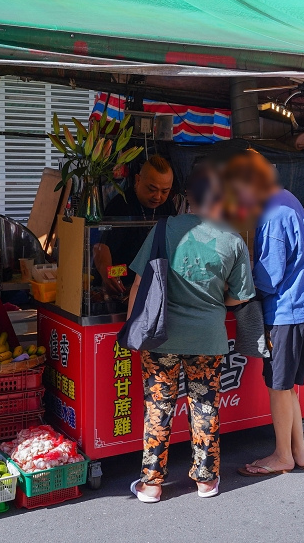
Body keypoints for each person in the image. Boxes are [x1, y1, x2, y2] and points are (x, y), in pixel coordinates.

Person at [125, 165, 255, 502]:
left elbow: (140, 284)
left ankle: (151, 484)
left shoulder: (164, 228)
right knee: (205, 405)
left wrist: (133, 334)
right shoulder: (233, 239)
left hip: (161, 337)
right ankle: (206, 481)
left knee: (158, 407)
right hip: (208, 339)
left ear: (187, 198)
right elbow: (239, 297)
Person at [230, 150, 304, 478]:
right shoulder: (287, 198)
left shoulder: (272, 214)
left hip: (286, 312)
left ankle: (282, 455)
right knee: (289, 387)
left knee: (279, 387)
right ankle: (299, 451)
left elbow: (268, 277)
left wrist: (237, 282)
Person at [95, 155, 179, 295]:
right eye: (152, 189)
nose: (157, 196)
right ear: (138, 180)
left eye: (165, 191)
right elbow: (101, 247)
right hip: (122, 280)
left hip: (153, 284)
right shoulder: (121, 206)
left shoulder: (167, 207)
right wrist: (108, 274)